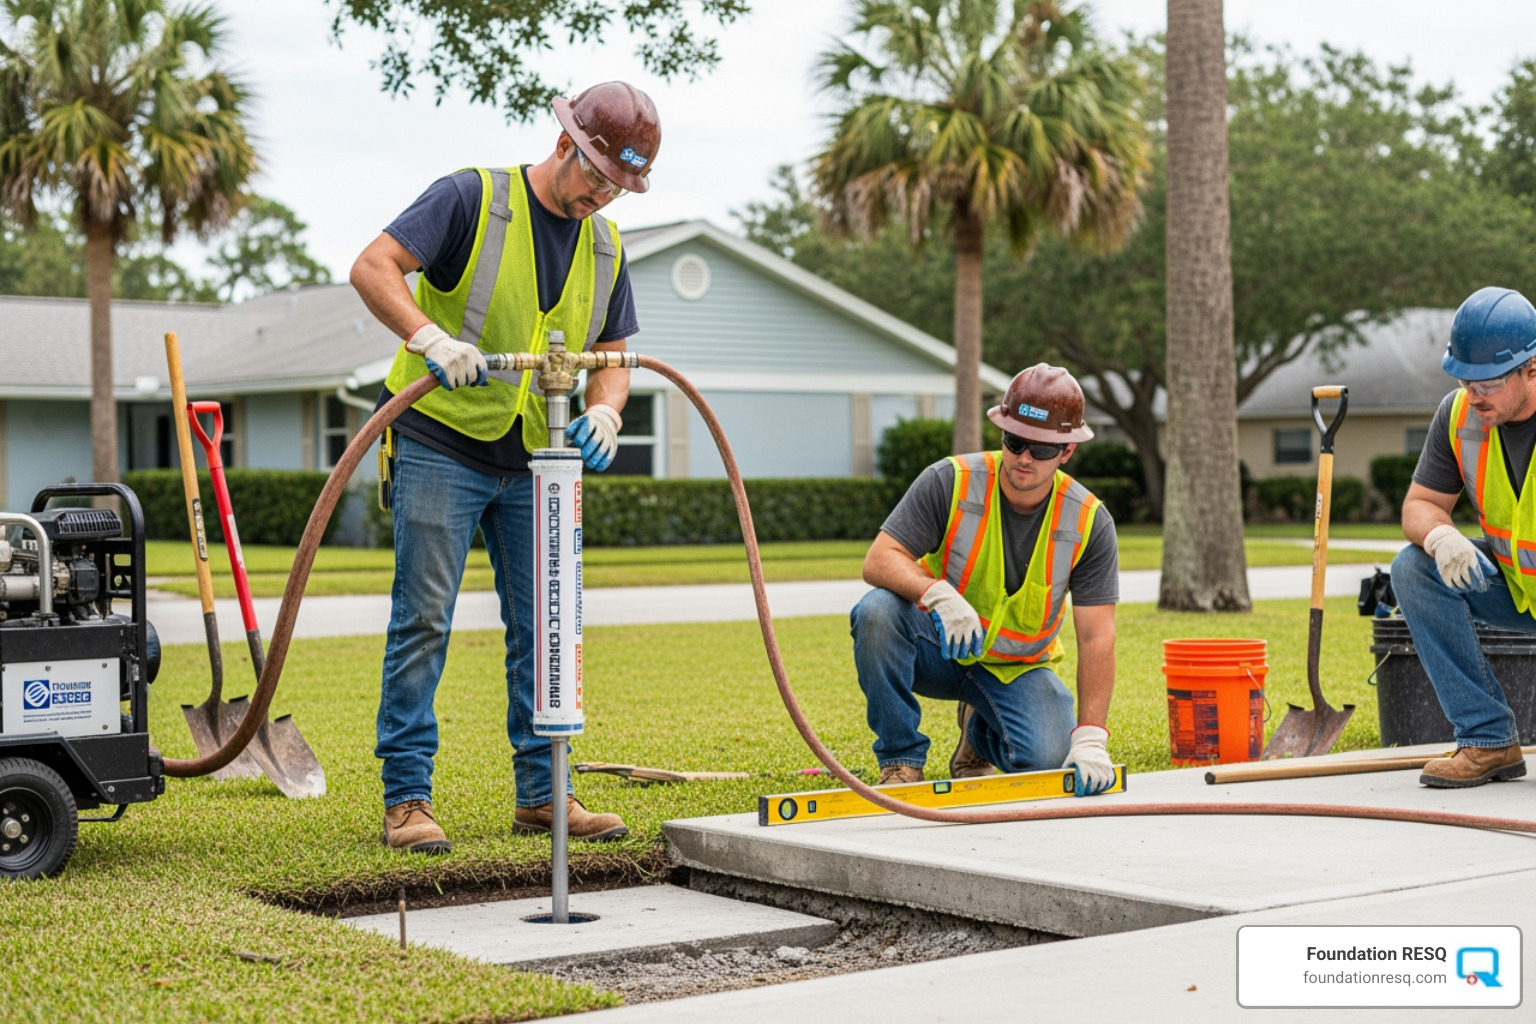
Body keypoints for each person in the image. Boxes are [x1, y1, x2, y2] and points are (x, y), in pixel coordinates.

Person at [349, 82, 660, 853]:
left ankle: (543, 794)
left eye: (618, 188)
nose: (602, 197)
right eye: (597, 177)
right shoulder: (472, 200)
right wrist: (429, 338)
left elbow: (612, 359)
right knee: (423, 619)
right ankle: (408, 799)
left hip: (537, 462)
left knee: (546, 624)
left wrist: (608, 409)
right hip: (440, 442)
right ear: (566, 146)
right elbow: (373, 266)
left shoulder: (607, 245)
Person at [850, 364, 1120, 793]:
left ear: (1067, 451)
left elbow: (1097, 636)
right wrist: (935, 592)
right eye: (1015, 442)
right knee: (877, 612)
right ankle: (901, 760)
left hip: (1017, 668)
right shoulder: (949, 481)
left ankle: (977, 733)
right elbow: (880, 558)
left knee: (1049, 761)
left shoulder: (1089, 520)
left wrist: (1090, 736)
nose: (1024, 457)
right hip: (939, 646)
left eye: (1042, 449)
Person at [1393, 286, 1536, 788]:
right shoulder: (1459, 417)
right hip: (1519, 589)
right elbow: (1419, 504)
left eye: (1489, 382)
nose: (1474, 395)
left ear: (1531, 370)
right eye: (1464, 378)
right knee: (1413, 568)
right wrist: (1440, 536)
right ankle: (1488, 738)